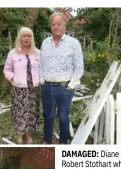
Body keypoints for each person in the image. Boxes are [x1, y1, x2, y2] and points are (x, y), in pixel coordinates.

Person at [40, 12, 84, 144]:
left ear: (64, 25)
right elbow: (41, 64)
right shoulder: (45, 43)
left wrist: (71, 84)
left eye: (59, 24)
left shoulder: (73, 43)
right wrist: (42, 81)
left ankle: (63, 142)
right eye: (53, 24)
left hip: (65, 88)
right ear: (50, 26)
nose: (56, 27)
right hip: (47, 87)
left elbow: (79, 67)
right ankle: (47, 139)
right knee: (48, 115)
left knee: (63, 116)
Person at [3, 27, 40, 144]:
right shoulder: (13, 53)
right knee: (19, 112)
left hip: (33, 89)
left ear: (32, 38)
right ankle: (20, 134)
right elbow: (7, 69)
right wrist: (12, 78)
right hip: (19, 89)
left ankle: (29, 135)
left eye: (29, 36)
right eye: (24, 36)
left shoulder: (38, 53)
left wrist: (41, 80)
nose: (26, 38)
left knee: (31, 112)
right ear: (20, 38)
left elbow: (43, 69)